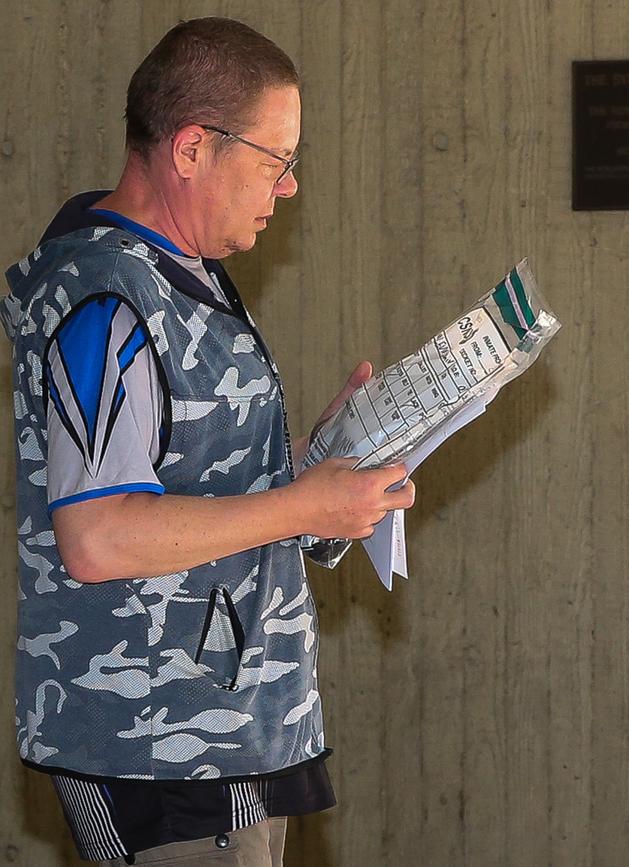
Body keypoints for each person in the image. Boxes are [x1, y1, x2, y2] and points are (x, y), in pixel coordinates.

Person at [1, 17, 415, 866]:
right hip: (160, 746)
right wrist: (303, 502)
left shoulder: (176, 273)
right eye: (278, 160)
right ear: (192, 148)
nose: (290, 187)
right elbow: (100, 532)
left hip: (216, 730)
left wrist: (312, 463)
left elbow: (183, 474)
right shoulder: (106, 297)